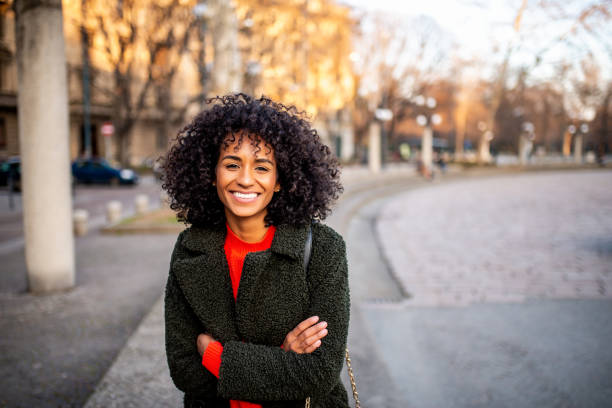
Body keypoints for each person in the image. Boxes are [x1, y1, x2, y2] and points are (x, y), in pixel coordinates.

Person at [162, 94, 350, 408]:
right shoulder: (189, 249)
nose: (245, 179)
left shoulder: (323, 248)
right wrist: (283, 359)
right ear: (212, 174)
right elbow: (184, 371)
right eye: (232, 164)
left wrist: (215, 355)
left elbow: (321, 372)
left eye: (262, 167)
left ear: (279, 180)